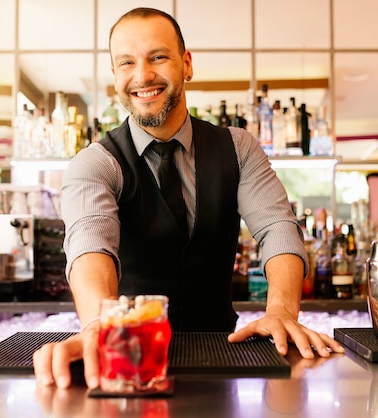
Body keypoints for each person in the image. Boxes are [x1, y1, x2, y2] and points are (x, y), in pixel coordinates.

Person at [33, 7, 344, 389]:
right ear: (115, 76)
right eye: (126, 62)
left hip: (222, 358)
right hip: (131, 363)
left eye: (158, 57)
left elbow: (277, 227)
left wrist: (281, 311)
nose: (142, 75)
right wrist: (99, 325)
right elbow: (89, 243)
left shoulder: (238, 147)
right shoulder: (96, 163)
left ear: (186, 64)